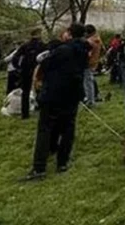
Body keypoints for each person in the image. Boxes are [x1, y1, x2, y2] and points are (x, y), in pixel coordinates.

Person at [23, 23, 89, 181]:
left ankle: (39, 168)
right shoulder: (84, 50)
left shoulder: (63, 50)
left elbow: (44, 65)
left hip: (54, 94)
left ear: (70, 34)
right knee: (68, 128)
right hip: (73, 94)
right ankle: (62, 162)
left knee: (45, 129)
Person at [12, 30, 45, 119]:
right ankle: (41, 109)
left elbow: (15, 57)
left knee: (25, 92)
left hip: (26, 70)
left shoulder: (25, 45)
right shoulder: (42, 45)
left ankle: (25, 113)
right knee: (40, 89)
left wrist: (18, 68)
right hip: (39, 70)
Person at [83, 25, 102, 108]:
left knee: (87, 82)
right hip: (94, 62)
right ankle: (93, 97)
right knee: (90, 80)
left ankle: (90, 101)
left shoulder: (89, 42)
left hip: (87, 63)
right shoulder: (98, 39)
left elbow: (87, 54)